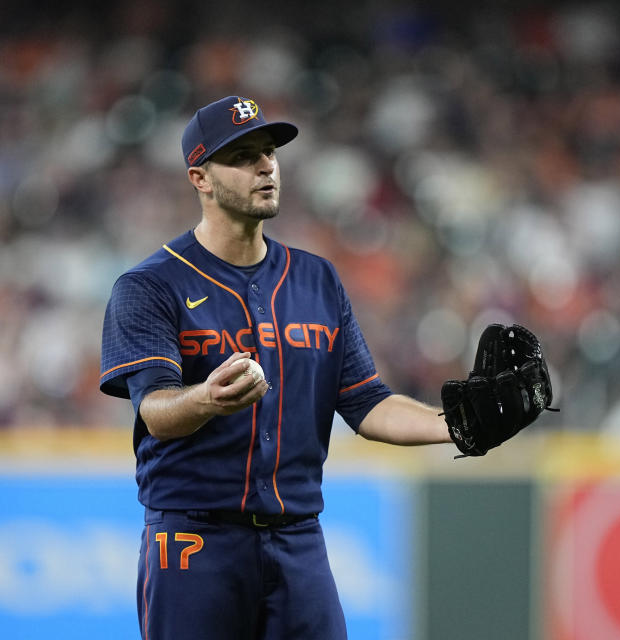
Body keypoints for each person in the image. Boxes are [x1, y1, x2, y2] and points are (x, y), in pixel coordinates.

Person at [99, 95, 452, 640]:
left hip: (298, 541)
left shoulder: (317, 279)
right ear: (201, 177)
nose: (265, 165)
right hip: (195, 541)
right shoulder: (150, 285)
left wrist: (455, 423)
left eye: (268, 151)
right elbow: (157, 410)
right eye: (242, 156)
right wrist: (206, 399)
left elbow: (365, 402)